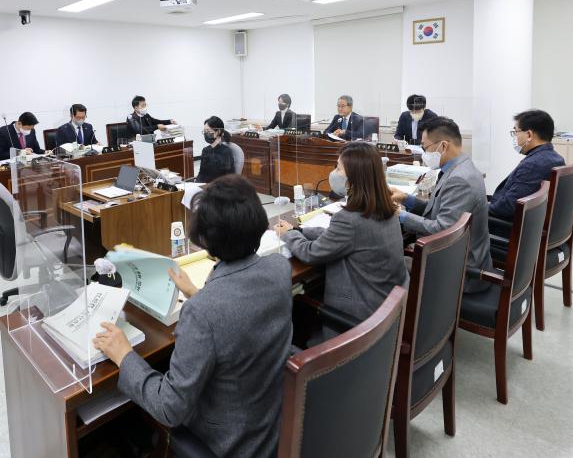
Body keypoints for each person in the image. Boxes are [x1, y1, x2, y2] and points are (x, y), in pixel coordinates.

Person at [94, 175, 292, 457]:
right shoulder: (279, 268)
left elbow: (169, 407)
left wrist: (124, 354)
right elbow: (238, 316)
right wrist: (196, 292)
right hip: (272, 424)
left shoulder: (202, 312)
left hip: (230, 443)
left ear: (205, 240)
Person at [275, 143, 409, 330]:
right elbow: (341, 237)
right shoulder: (386, 207)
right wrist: (302, 230)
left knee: (295, 305)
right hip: (384, 304)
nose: (334, 173)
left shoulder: (350, 219)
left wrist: (289, 234)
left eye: (338, 168)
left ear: (354, 177)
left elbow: (310, 254)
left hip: (359, 317)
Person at [390, 117, 492, 293]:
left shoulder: (460, 179)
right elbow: (439, 209)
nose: (424, 153)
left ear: (443, 146)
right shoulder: (460, 166)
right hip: (456, 255)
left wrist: (401, 215)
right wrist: (406, 199)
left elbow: (442, 230)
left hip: (461, 270)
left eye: (425, 147)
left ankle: (408, 310)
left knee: (387, 264)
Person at [489, 109, 565, 222]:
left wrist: (480, 209)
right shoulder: (556, 158)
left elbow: (508, 208)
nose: (515, 136)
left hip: (509, 226)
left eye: (516, 132)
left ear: (529, 135)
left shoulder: (533, 165)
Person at [196, 116, 235, 183]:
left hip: (219, 187)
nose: (206, 134)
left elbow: (229, 178)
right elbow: (201, 173)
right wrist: (196, 185)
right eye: (204, 131)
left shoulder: (226, 152)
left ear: (218, 131)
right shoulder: (205, 150)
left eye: (208, 131)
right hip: (206, 186)